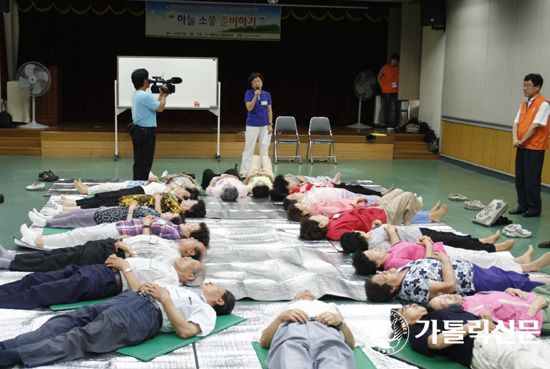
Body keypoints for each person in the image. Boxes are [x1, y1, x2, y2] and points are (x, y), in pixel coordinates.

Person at [0, 283, 235, 367]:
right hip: (131, 299)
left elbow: (185, 331)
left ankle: (11, 357)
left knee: (80, 338)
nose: (211, 282)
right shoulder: (188, 289)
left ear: (219, 300)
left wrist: (164, 299)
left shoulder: (207, 311)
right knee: (62, 323)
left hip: (144, 316)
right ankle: (6, 346)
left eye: (218, 287)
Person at [0, 253, 205, 309]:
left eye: (191, 261)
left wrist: (124, 266)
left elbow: (141, 293)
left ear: (190, 276)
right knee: (36, 279)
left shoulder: (170, 280)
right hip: (102, 270)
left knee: (44, 291)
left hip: (106, 281)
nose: (186, 258)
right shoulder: (168, 265)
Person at [365, 252, 550, 304]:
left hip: (469, 269)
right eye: (382, 278)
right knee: (518, 284)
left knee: (511, 277)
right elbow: (449, 286)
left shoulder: (401, 271)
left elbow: (426, 264)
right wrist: (445, 260)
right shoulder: (411, 286)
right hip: (472, 280)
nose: (383, 273)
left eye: (380, 273)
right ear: (392, 289)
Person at [353, 229, 550, 275]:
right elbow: (424, 265)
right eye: (373, 254)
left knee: (481, 256)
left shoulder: (390, 253)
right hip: (443, 257)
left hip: (443, 249)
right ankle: (527, 268)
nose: (376, 249)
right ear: (377, 264)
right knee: (482, 261)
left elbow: (396, 243)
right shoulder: (393, 264)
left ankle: (520, 262)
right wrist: (428, 245)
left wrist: (392, 232)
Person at [258, 290, 355, 369]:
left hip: (328, 334)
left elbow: (350, 343)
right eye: (300, 292)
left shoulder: (330, 307)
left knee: (334, 363)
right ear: (295, 299)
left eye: (311, 292)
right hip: (292, 333)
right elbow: (265, 341)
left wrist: (340, 322)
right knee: (292, 362)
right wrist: (281, 318)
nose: (307, 290)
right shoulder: (287, 307)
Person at [0, 235, 207, 272]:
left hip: (114, 255)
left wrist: (129, 248)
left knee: (58, 261)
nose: (189, 238)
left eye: (193, 241)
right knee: (62, 252)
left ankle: (10, 264)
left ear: (190, 252)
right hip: (111, 245)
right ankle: (13, 257)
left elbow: (143, 264)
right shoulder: (170, 244)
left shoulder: (171, 258)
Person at [17, 215, 210, 249]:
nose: (188, 224)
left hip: (120, 233)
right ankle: (40, 239)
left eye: (192, 228)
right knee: (80, 232)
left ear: (190, 236)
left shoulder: (174, 236)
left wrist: (145, 224)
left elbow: (148, 241)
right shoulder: (174, 227)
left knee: (78, 237)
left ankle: (37, 240)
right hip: (121, 225)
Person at [299, 189, 423, 241]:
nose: (320, 215)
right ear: (320, 225)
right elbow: (358, 237)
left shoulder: (330, 219)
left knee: (399, 192)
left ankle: (411, 209)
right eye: (317, 217)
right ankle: (407, 226)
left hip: (373, 209)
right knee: (408, 196)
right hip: (382, 216)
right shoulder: (335, 232)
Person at [427, 286, 550, 337]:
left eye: (442, 296)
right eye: (443, 303)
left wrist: (508, 290)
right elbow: (520, 333)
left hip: (536, 294)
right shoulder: (476, 316)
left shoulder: (468, 298)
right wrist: (534, 308)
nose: (447, 297)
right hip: (543, 311)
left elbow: (497, 298)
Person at [509, 73, 550, 217]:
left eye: (529, 85)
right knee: (520, 178)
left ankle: (534, 208)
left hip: (535, 148)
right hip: (521, 146)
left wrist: (522, 141)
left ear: (537, 87)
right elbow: (516, 123)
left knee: (532, 178)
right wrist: (515, 139)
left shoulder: (543, 104)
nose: (525, 88)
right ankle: (522, 205)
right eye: (524, 85)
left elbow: (535, 126)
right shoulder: (524, 104)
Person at [339, 224, 514, 254]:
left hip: (418, 230)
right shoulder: (374, 245)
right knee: (457, 243)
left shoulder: (370, 234)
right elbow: (395, 248)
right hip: (422, 239)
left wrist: (378, 225)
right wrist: (392, 232)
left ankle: (483, 241)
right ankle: (494, 248)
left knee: (455, 237)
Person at [130, 68, 169, 180]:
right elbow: (160, 108)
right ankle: (142, 186)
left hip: (138, 131)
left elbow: (154, 104)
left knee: (139, 161)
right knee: (145, 162)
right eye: (147, 78)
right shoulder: (145, 96)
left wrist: (162, 96)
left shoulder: (136, 94)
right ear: (144, 81)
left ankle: (137, 182)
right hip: (146, 132)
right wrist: (165, 96)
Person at [287, 196, 445, 223]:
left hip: (357, 204)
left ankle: (427, 214)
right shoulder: (319, 211)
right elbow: (342, 211)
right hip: (358, 207)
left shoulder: (315, 207)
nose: (304, 203)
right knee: (397, 214)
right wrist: (355, 201)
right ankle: (429, 217)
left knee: (396, 209)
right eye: (301, 205)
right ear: (304, 213)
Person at [27, 202, 182, 229]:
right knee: (78, 212)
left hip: (108, 219)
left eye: (170, 214)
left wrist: (131, 209)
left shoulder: (154, 220)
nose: (167, 212)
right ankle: (51, 217)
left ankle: (45, 224)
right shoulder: (155, 213)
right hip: (109, 210)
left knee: (75, 220)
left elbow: (130, 222)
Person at [240, 72, 273, 178]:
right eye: (254, 82)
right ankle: (245, 172)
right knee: (249, 148)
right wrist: (255, 96)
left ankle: (265, 171)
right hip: (252, 125)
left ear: (262, 82)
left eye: (258, 81)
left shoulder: (267, 94)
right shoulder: (249, 93)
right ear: (252, 84)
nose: (257, 83)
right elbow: (249, 108)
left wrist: (270, 124)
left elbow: (269, 110)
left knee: (264, 149)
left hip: (264, 125)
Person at [272, 174, 389, 198]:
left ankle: (380, 194)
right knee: (357, 191)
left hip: (332, 185)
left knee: (358, 187)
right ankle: (381, 195)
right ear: (287, 186)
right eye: (288, 180)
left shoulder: (298, 185)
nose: (291, 180)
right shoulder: (295, 195)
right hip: (333, 191)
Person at [377, 54, 400, 130]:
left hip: (395, 89)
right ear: (391, 59)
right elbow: (378, 77)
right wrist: (382, 87)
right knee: (387, 106)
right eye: (394, 60)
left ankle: (396, 124)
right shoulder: (384, 67)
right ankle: (387, 124)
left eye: (396, 60)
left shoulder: (398, 68)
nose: (395, 61)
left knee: (397, 107)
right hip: (387, 89)